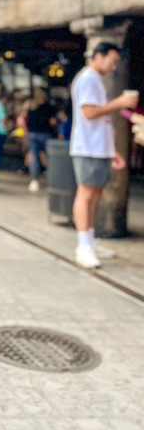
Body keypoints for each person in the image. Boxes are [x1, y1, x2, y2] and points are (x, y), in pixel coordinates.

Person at [70, 42, 138, 269]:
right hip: (87, 147)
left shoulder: (95, 79)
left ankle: (89, 239)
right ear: (98, 57)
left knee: (95, 194)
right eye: (111, 60)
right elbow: (88, 113)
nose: (113, 66)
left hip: (98, 147)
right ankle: (83, 245)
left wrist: (112, 151)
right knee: (86, 193)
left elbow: (101, 119)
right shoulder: (88, 78)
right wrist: (119, 103)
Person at [26, 87, 57, 192]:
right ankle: (53, 179)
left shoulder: (30, 106)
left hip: (32, 134)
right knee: (50, 158)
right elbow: (53, 122)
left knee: (34, 157)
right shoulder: (48, 107)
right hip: (45, 134)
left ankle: (35, 180)